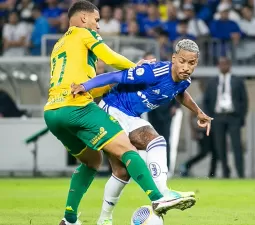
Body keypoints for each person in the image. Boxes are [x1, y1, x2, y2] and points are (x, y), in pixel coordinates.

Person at [43, 1, 194, 225]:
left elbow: (86, 82)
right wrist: (138, 68)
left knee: (92, 161)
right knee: (127, 150)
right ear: (84, 18)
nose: (98, 26)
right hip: (78, 107)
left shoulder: (59, 44)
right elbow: (111, 57)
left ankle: (70, 218)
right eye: (96, 20)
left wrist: (106, 85)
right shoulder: (84, 34)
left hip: (52, 113)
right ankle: (158, 197)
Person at [71, 39, 213, 225]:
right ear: (173, 58)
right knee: (156, 142)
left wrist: (198, 112)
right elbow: (115, 77)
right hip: (113, 109)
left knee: (121, 172)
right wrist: (85, 86)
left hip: (131, 116)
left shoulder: (184, 80)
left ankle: (104, 219)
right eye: (182, 61)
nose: (186, 67)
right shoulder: (153, 72)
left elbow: (180, 92)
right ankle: (163, 194)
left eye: (191, 63)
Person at [203, 57, 248, 178]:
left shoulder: (237, 81)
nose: (223, 66)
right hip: (217, 117)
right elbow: (206, 101)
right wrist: (208, 118)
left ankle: (240, 173)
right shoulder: (212, 82)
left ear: (229, 65)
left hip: (233, 116)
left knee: (236, 146)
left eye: (225, 64)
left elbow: (244, 100)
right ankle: (225, 173)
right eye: (221, 64)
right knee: (220, 147)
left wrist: (241, 117)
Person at [180, 81, 217, 178]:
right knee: (204, 152)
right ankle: (186, 165)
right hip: (202, 131)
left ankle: (212, 174)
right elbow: (191, 116)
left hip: (212, 130)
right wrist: (193, 131)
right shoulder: (200, 100)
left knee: (215, 152)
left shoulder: (213, 99)